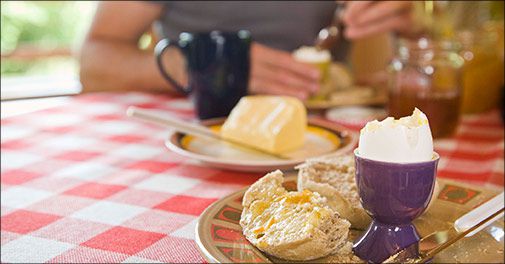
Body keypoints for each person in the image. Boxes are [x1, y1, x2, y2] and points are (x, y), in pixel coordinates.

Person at [79, 1, 415, 100]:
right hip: (196, 134)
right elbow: (93, 62)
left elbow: (429, 38)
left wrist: (415, 19)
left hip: (327, 139)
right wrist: (206, 67)